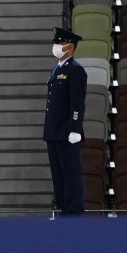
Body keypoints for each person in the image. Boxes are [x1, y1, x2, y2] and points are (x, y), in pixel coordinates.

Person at [44, 26, 87, 216]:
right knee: (58, 175)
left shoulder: (75, 70)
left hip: (67, 132)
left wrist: (75, 128)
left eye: (59, 43)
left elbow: (77, 102)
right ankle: (63, 208)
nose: (56, 47)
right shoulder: (56, 69)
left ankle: (74, 211)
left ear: (69, 46)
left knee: (71, 174)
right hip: (53, 131)